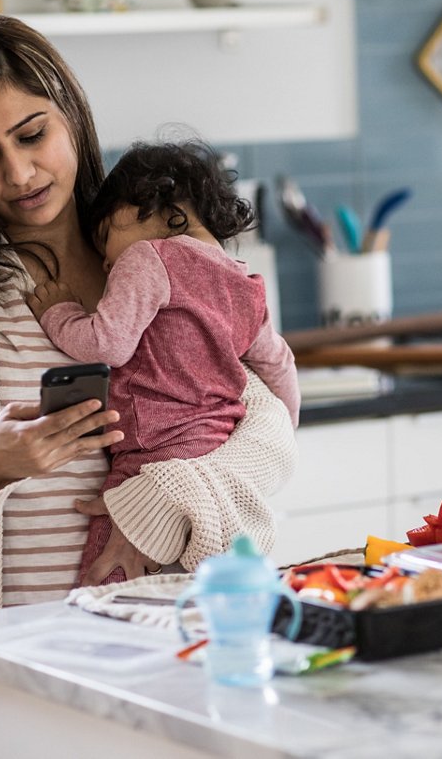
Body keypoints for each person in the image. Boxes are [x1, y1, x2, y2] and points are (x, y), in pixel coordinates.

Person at [0, 15, 296, 759]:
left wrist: (165, 500)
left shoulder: (156, 253)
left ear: (72, 115)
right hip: (4, 704)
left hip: (167, 678)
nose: (18, 173)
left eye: (32, 134)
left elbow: (267, 434)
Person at [27, 138, 300, 587]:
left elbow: (108, 343)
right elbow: (278, 364)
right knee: (186, 591)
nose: (104, 259)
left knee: (106, 582)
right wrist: (287, 426)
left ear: (149, 206)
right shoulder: (245, 283)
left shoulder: (148, 257)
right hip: (215, 449)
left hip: (152, 455)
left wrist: (59, 313)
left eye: (103, 238)